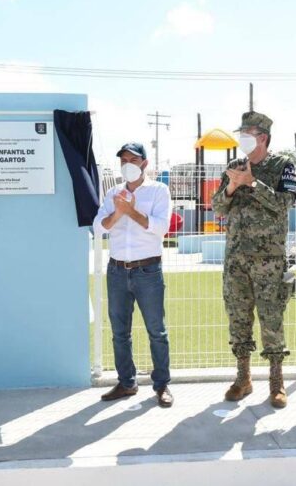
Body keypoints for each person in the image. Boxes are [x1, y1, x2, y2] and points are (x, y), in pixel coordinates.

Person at [211, 111, 296, 408]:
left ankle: (276, 383)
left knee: (271, 320)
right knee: (238, 318)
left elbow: (284, 204)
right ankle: (243, 378)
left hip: (269, 260)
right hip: (236, 259)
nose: (243, 137)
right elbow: (218, 207)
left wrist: (252, 183)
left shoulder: (283, 165)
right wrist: (234, 186)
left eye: (248, 132)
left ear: (263, 137)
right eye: (242, 132)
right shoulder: (234, 166)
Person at [93, 142, 174, 407]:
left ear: (144, 164)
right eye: (123, 159)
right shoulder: (113, 193)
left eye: (133, 159)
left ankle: (162, 385)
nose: (127, 163)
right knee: (119, 332)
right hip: (117, 270)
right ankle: (126, 383)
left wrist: (131, 212)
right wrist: (119, 212)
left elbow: (161, 227)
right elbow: (99, 228)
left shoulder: (159, 191)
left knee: (156, 331)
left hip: (148, 270)